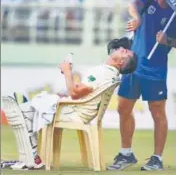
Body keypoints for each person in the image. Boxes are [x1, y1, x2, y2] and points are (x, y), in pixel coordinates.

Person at [3, 39, 138, 170]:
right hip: (80, 110)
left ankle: (31, 157)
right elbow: (81, 90)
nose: (120, 48)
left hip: (76, 113)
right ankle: (30, 156)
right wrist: (68, 74)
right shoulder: (109, 73)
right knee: (30, 109)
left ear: (120, 61)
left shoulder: (103, 73)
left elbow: (74, 93)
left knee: (24, 113)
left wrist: (67, 71)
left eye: (124, 51)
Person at [107, 0, 176, 171]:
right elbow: (133, 4)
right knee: (123, 108)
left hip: (156, 69)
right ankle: (126, 153)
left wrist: (167, 40)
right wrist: (137, 18)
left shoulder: (174, 10)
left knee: (157, 112)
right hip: (133, 63)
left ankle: (157, 158)